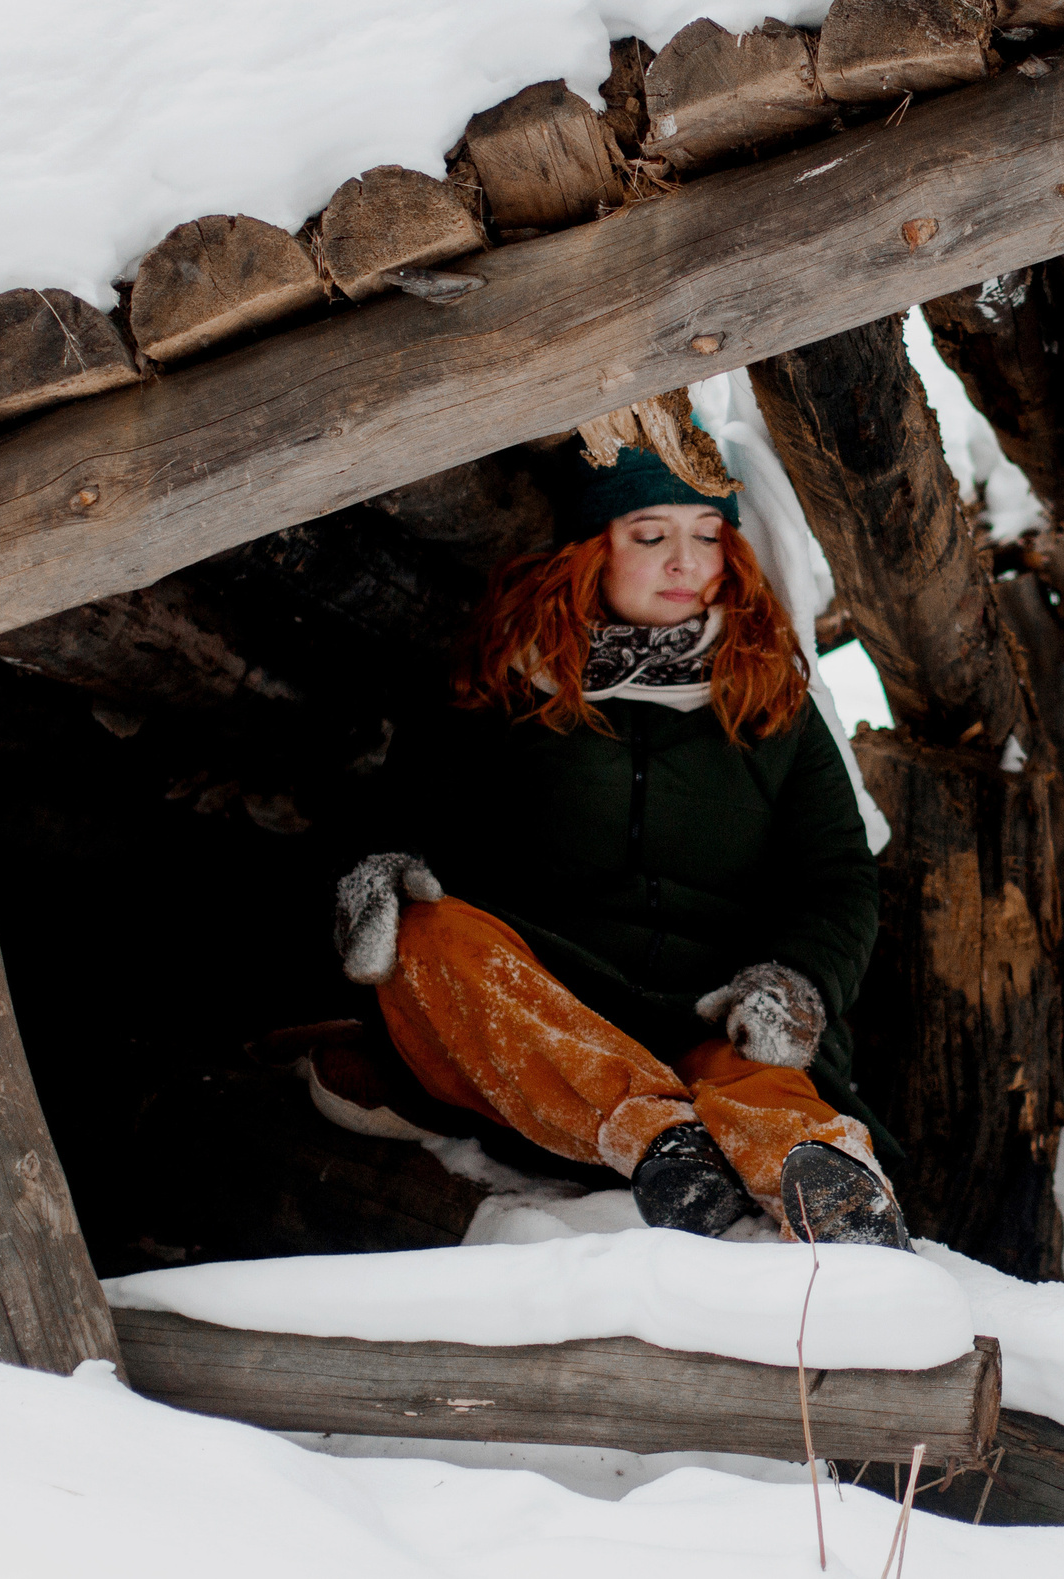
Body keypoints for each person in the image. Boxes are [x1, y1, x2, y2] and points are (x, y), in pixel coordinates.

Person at [324, 442, 905, 1249]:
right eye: (650, 534)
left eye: (707, 535)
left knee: (755, 1075)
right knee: (425, 932)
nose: (685, 561)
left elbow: (840, 877)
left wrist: (792, 983)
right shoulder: (510, 686)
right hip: (552, 1017)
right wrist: (380, 876)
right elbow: (415, 813)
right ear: (593, 547)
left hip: (713, 1013)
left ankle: (834, 1188)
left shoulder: (773, 699)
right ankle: (663, 1146)